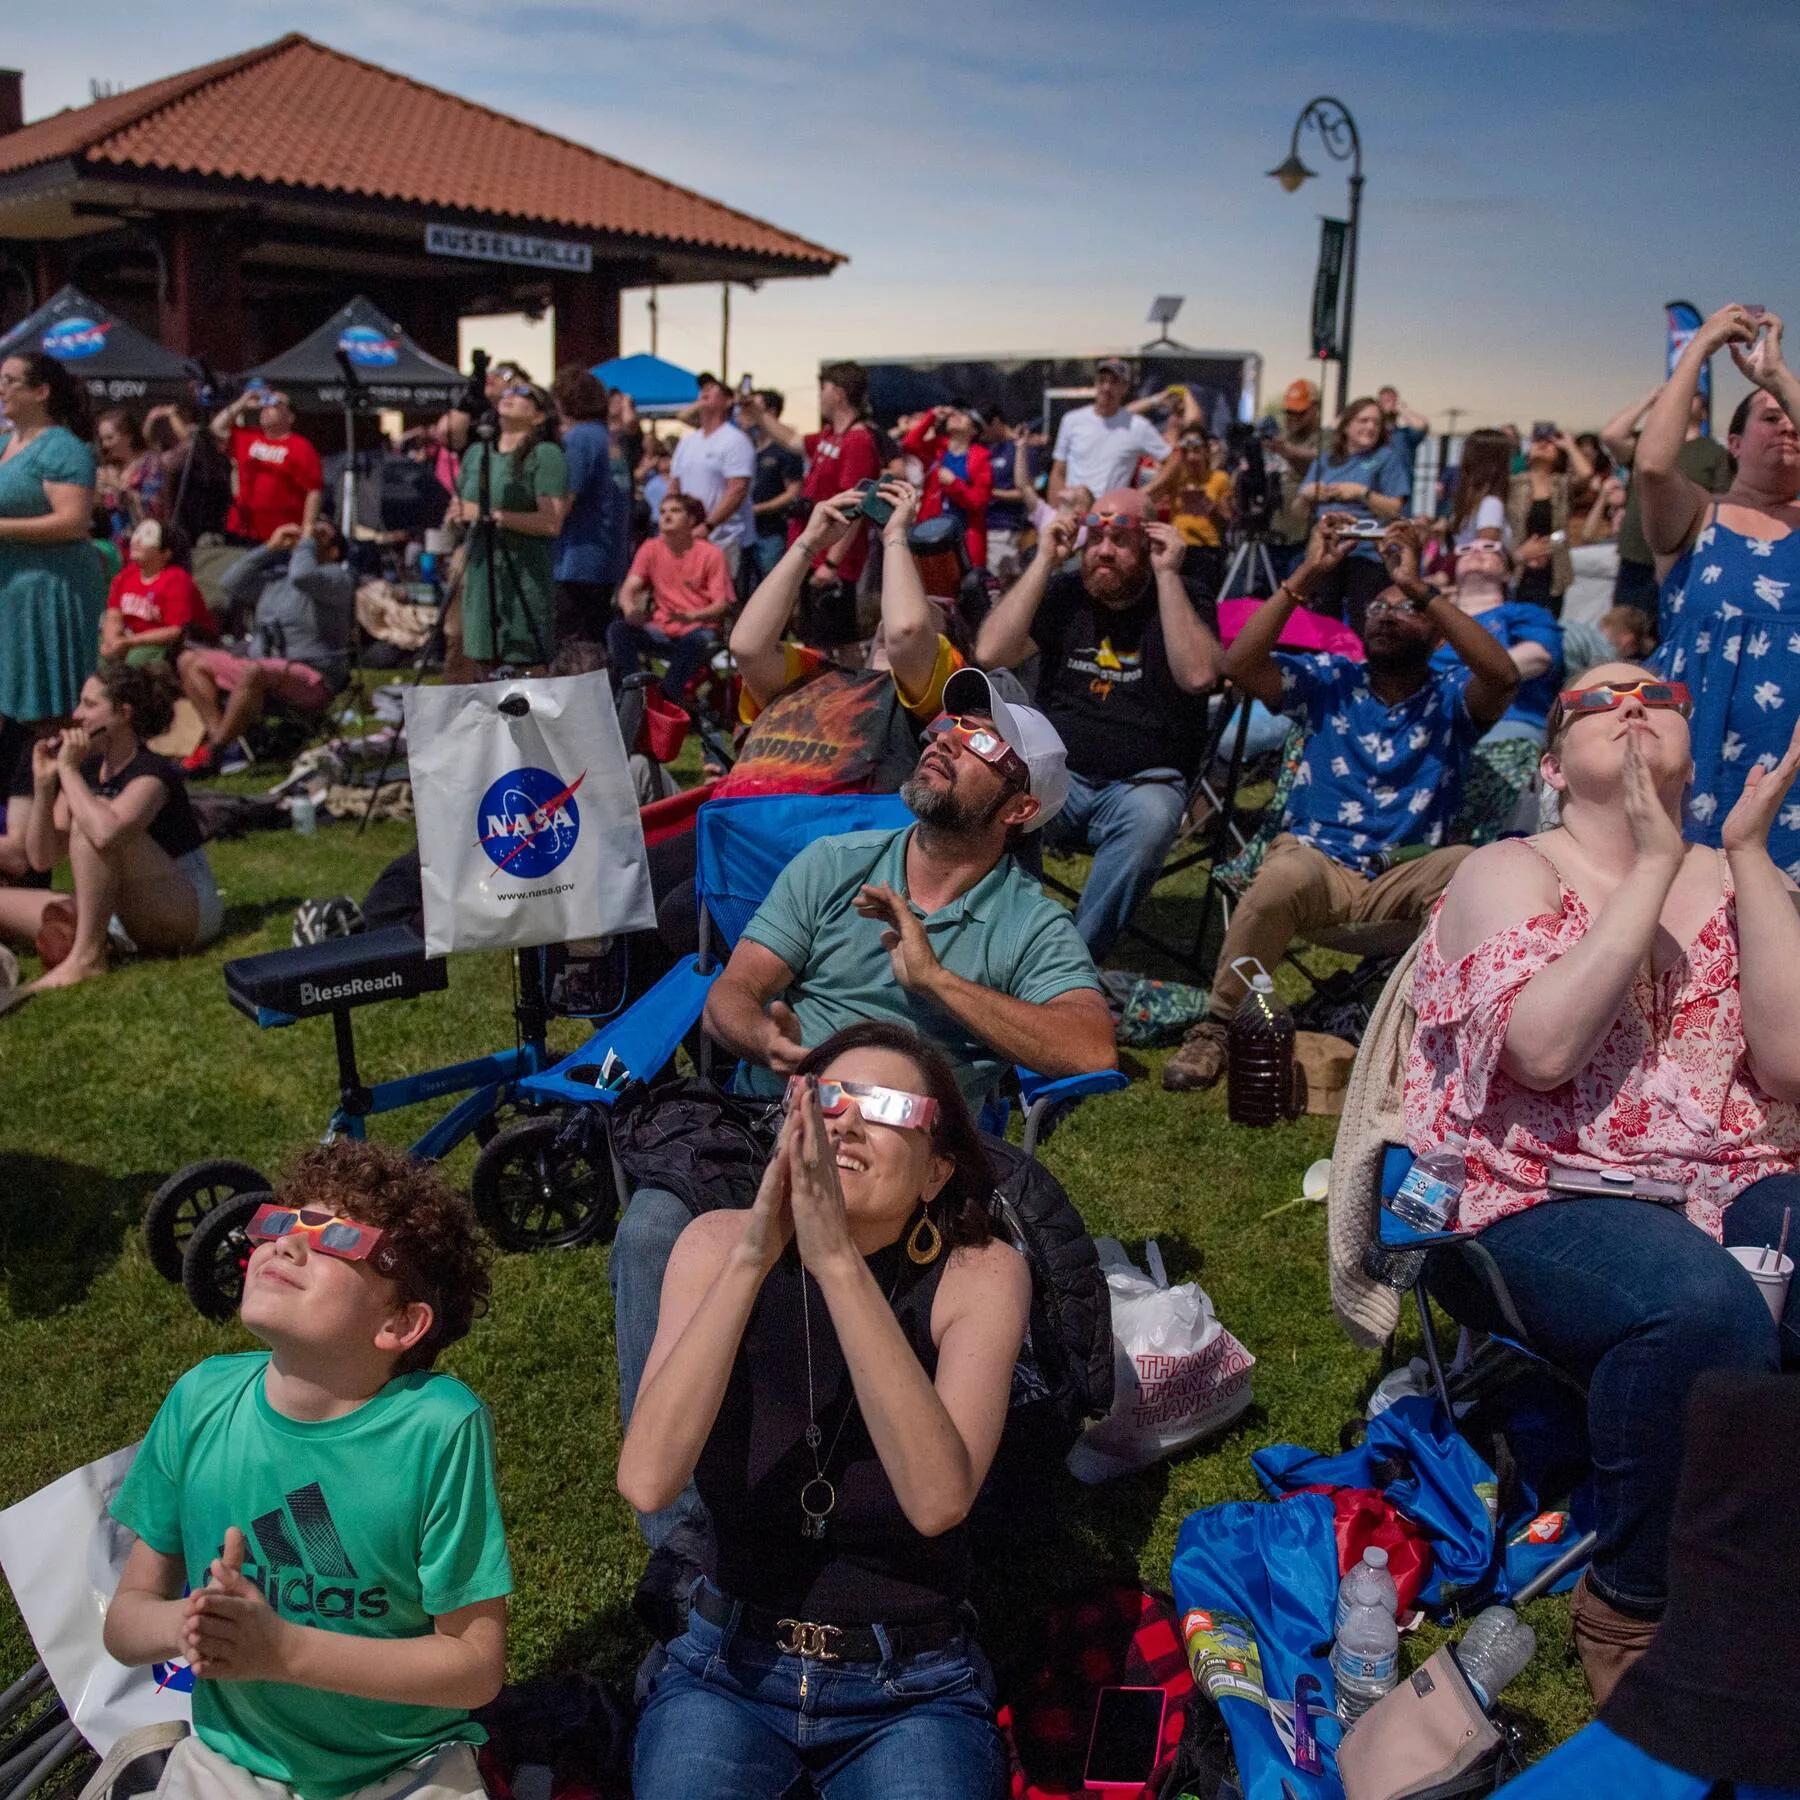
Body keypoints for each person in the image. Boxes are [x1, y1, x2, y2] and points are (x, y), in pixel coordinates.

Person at [1406, 663, 1800, 1702]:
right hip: (1539, 1192)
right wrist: (1655, 866)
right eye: (1594, 698)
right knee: (1700, 1310)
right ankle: (1632, 1597)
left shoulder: (1740, 868)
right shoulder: (1510, 868)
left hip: (1733, 1171)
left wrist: (1749, 858)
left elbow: (1793, 1064)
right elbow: (1544, 1049)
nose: (1630, 703)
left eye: (1658, 692)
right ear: (1548, 765)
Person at [621, 1027, 1027, 1800]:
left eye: (884, 1106)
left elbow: (939, 1501)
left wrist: (836, 1258)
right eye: (829, 1098)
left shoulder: (980, 1273)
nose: (845, 1121)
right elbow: (647, 1479)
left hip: (910, 1683)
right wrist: (754, 1254)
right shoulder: (713, 1246)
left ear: (938, 1170)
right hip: (727, 1664)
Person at [101, 1140, 510, 1800]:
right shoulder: (201, 1400)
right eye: (280, 1223)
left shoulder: (437, 1426)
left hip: (407, 1770)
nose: (286, 1246)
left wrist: (284, 1652)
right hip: (233, 1764)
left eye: (336, 1240)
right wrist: (196, 1625)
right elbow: (125, 1624)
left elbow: (474, 1667)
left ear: (400, 1323)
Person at [1164, 518, 1519, 1089]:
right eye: (1377, 607)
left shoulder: (1453, 698)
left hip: (1402, 876)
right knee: (1281, 874)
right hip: (1317, 866)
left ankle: (1438, 1031)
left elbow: (1503, 675)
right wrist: (1310, 571)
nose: (1385, 614)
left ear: (1435, 634)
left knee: (1466, 868)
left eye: (1404, 610)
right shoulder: (1329, 681)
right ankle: (1218, 1028)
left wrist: (1419, 583)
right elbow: (1238, 664)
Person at [975, 488, 1223, 960]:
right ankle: (1003, 943)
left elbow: (1199, 676)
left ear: (1151, 544)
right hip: (1056, 780)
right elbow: (991, 653)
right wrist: (1046, 559)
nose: (1104, 551)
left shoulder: (1185, 594)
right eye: (1096, 537)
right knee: (987, 788)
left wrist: (1168, 575)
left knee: (1151, 821)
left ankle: (1068, 965)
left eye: (1122, 539)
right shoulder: (1067, 594)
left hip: (1143, 784)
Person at [1638, 303, 1800, 878]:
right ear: (1732, 443)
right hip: (1698, 758)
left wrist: (1777, 378)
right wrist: (1700, 346)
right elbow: (1654, 466)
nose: (1785, 427)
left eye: (1793, 419)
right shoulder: (1697, 517)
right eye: (1768, 418)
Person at [0, 664, 221, 990]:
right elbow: (42, 858)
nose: (77, 714)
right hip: (119, 911)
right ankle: (87, 941)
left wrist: (69, 774)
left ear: (123, 714)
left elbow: (106, 833)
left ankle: (87, 959)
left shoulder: (152, 772)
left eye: (89, 705)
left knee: (96, 820)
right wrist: (46, 787)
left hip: (184, 908)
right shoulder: (89, 770)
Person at [178, 518, 354, 774]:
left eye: (321, 534)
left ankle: (214, 750)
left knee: (255, 671)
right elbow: (230, 582)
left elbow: (303, 576)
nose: (309, 534)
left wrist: (306, 542)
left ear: (334, 550)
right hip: (261, 667)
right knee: (190, 661)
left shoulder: (337, 578)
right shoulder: (276, 580)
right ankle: (222, 746)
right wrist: (269, 548)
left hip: (312, 675)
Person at [0, 351, 107, 731]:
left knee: (50, 710)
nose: (2, 388)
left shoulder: (62, 447)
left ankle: (66, 778)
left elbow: (73, 521)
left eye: (11, 380)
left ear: (41, 391)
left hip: (49, 588)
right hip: (10, 587)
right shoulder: (4, 445)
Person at [1431, 535, 1563, 836]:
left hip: (1506, 732)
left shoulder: (1523, 614)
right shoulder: (1428, 624)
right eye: (1465, 549)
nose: (1477, 551)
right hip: (1434, 735)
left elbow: (1538, 656)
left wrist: (1461, 685)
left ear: (1507, 572)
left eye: (1491, 549)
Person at [757, 363, 885, 650]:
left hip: (833, 563)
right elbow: (791, 440)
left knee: (836, 646)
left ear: (838, 393)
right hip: (814, 555)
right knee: (813, 640)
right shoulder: (831, 434)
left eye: (823, 390)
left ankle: (843, 695)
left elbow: (857, 507)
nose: (819, 397)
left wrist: (831, 564)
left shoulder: (857, 440)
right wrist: (760, 414)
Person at [450, 378, 569, 673]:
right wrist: (457, 515)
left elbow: (551, 522)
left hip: (522, 578)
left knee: (522, 673)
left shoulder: (545, 454)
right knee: (478, 669)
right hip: (479, 576)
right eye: (507, 390)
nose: (510, 395)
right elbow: (462, 510)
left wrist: (492, 515)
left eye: (522, 392)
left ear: (539, 415)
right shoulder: (477, 453)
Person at [1601, 378, 1734, 610]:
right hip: (1636, 556)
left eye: (1691, 395)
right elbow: (1612, 435)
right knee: (1623, 635)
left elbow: (1722, 505)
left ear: (1703, 413)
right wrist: (1650, 401)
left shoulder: (1715, 453)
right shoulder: (1648, 443)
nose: (1682, 396)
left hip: (1685, 561)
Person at [1292, 397, 1413, 628]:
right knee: (1320, 620)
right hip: (1326, 551)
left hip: (1367, 555)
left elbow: (1396, 508)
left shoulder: (1386, 458)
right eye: (1363, 420)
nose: (1370, 427)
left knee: (1363, 621)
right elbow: (1298, 512)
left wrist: (1361, 493)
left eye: (1376, 423)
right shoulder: (1325, 461)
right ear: (1346, 426)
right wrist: (1307, 495)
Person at [609, 493, 733, 701]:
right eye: (663, 511)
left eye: (675, 511)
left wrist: (691, 617)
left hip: (698, 629)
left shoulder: (711, 554)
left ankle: (665, 700)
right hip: (663, 628)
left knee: (694, 642)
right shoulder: (651, 548)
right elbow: (629, 588)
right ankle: (632, 692)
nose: (666, 517)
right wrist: (630, 610)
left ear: (691, 520)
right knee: (618, 629)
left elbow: (722, 604)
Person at [550, 365, 629, 646]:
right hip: (607, 557)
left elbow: (563, 502)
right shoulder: (607, 438)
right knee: (595, 643)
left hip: (577, 560)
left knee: (571, 647)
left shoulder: (579, 439)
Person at [210, 386, 324, 545]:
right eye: (265, 405)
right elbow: (217, 427)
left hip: (280, 534)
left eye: (275, 405)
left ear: (290, 417)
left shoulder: (301, 447)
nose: (266, 409)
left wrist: (307, 530)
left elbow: (313, 491)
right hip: (241, 528)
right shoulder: (248, 437)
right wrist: (244, 401)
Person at [1045, 359, 1168, 505]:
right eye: (1102, 380)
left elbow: (1172, 460)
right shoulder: (1072, 420)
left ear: (1125, 387)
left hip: (1109, 515)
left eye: (1114, 382)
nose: (1106, 387)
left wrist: (1142, 494)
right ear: (1095, 384)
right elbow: (1058, 471)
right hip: (1074, 511)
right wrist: (1054, 512)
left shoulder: (1138, 426)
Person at [670, 373, 756, 580]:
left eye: (713, 388)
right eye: (703, 389)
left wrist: (708, 526)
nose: (705, 391)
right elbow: (674, 486)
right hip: (689, 539)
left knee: (723, 607)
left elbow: (737, 489)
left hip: (724, 541)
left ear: (728, 401)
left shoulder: (735, 440)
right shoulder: (687, 442)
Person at [1507, 428, 1595, 615]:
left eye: (1549, 443)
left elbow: (1586, 474)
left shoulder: (1561, 484)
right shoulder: (1514, 484)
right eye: (1537, 441)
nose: (1543, 444)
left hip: (1553, 570)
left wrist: (1568, 444)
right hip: (1519, 568)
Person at [101, 519, 213, 665]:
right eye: (137, 533)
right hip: (130, 638)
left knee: (136, 662)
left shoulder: (177, 580)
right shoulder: (126, 575)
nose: (137, 540)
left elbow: (175, 631)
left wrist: (129, 642)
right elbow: (113, 614)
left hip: (167, 643)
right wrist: (112, 640)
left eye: (147, 536)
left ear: (165, 553)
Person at [1145, 425, 1234, 601]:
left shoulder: (1219, 479)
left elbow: (1228, 517)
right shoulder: (1177, 478)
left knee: (1202, 598)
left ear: (1206, 451)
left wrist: (1212, 506)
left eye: (1196, 450)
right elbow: (1152, 495)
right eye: (1186, 452)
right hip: (1178, 546)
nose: (1192, 457)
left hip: (1206, 549)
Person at [903, 404, 994, 571]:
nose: (956, 416)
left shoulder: (981, 458)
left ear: (974, 430)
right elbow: (909, 443)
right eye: (954, 414)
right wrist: (932, 415)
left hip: (964, 536)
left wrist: (954, 484)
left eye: (964, 415)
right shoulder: (937, 447)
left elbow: (978, 502)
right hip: (931, 530)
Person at [1267, 378, 1324, 582]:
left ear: (1315, 409)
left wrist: (1289, 452)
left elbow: (1321, 459)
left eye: (1299, 412)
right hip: (1273, 529)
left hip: (1302, 534)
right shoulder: (1282, 437)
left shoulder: (1325, 437)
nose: (1293, 417)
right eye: (1289, 412)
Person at [748, 388, 804, 577]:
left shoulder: (786, 449)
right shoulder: (748, 445)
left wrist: (760, 508)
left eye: (752, 406)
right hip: (747, 533)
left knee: (773, 587)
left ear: (770, 412)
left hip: (772, 533)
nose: (745, 411)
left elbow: (793, 491)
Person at [982, 413, 1031, 587]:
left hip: (1006, 526)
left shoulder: (1020, 449)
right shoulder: (988, 449)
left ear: (995, 421)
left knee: (1000, 584)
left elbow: (1025, 491)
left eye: (983, 427)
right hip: (983, 526)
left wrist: (991, 493)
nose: (981, 433)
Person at [94, 407, 149, 540]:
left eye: (110, 438)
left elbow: (151, 512)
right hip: (113, 545)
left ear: (128, 436)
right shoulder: (108, 469)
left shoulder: (149, 464)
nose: (105, 444)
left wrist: (119, 486)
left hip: (142, 543)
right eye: (102, 440)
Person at [1377, 385, 1430, 471]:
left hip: (1400, 482)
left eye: (1390, 401)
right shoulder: (1374, 435)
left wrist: (1402, 409)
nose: (1387, 404)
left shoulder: (1404, 435)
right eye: (1383, 401)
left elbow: (1422, 426)